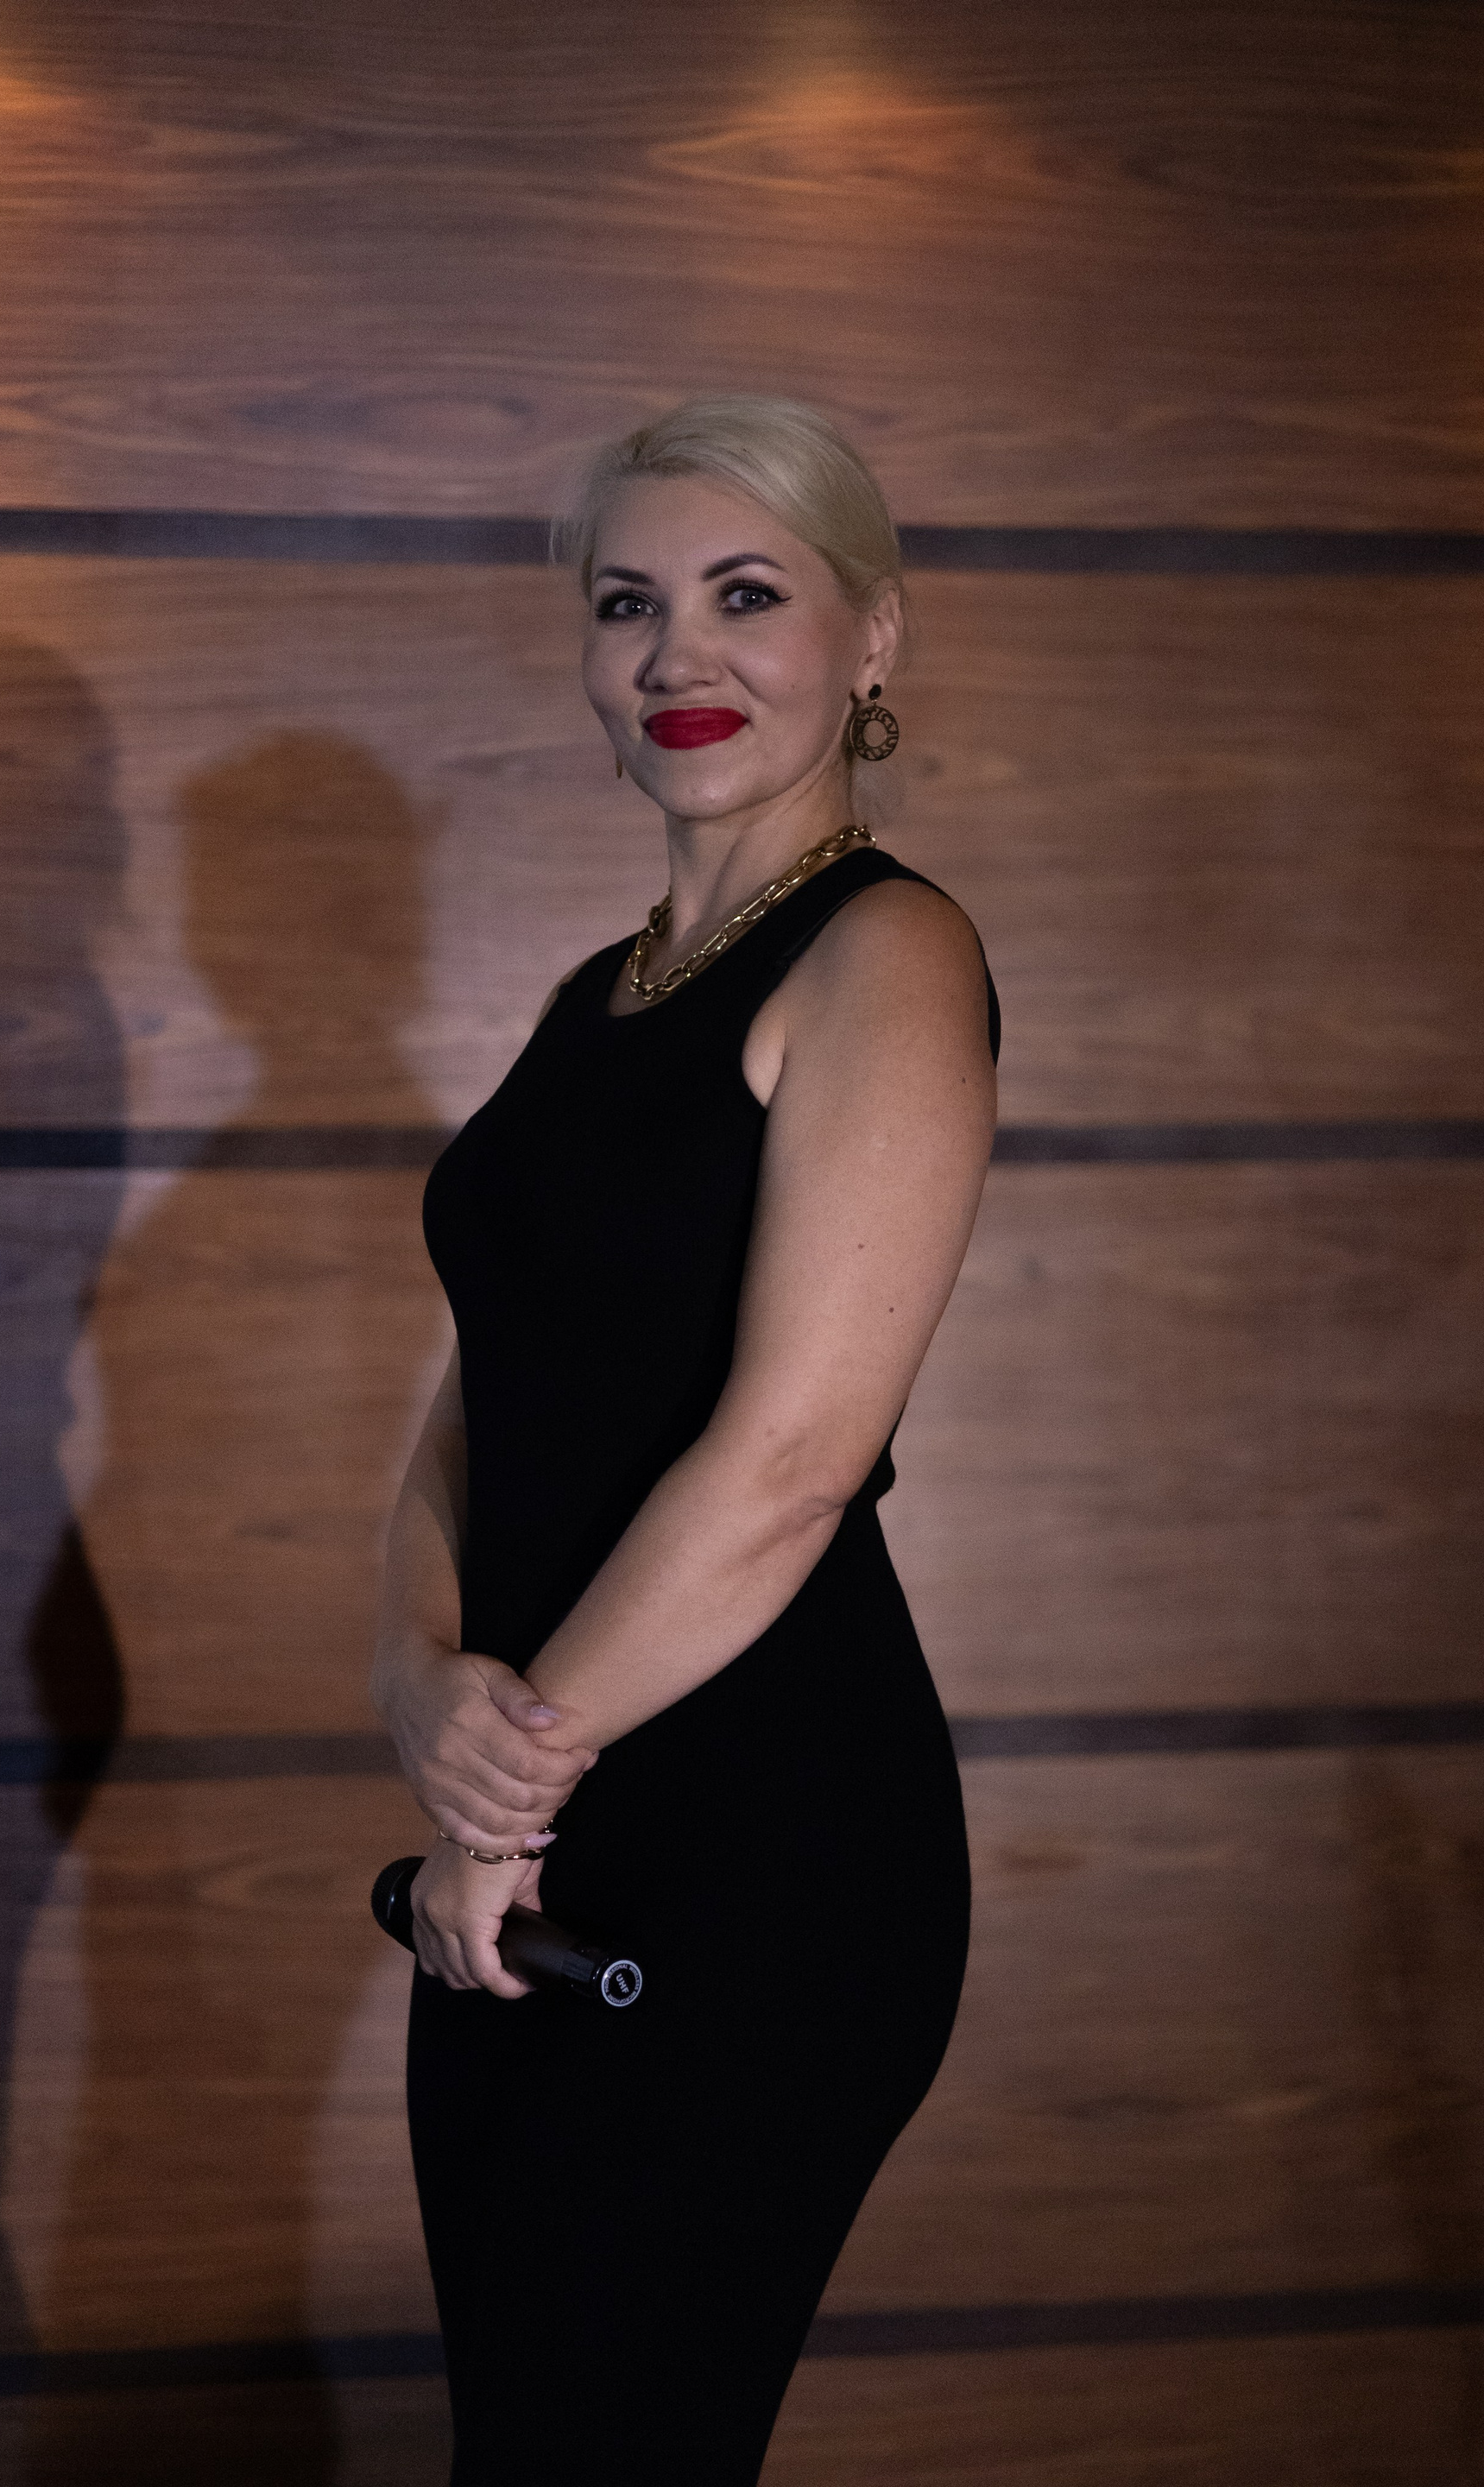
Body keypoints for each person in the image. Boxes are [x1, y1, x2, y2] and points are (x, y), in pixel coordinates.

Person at [370, 395, 999, 2485]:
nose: (677, 656)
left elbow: (792, 1460)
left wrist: (504, 1779)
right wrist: (417, 1678)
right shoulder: (596, 998)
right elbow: (474, 1407)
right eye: (627, 604)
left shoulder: (888, 951)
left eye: (745, 594)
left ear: (872, 635)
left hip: (760, 1842)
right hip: (529, 1822)